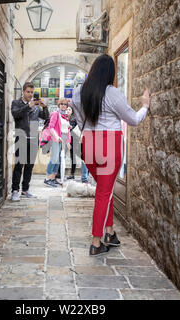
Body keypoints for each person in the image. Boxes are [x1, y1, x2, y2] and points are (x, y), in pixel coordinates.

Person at [70, 54, 151, 256]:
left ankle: (110, 232)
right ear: (110, 73)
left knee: (104, 189)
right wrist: (145, 106)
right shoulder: (113, 93)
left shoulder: (79, 93)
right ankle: (96, 242)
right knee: (104, 193)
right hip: (109, 143)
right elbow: (132, 120)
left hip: (88, 142)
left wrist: (88, 132)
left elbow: (79, 121)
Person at [11, 82, 49, 201]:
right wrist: (29, 106)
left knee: (29, 166)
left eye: (32, 92)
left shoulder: (36, 106)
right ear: (23, 91)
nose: (30, 94)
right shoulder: (16, 103)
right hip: (21, 138)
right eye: (28, 92)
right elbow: (16, 114)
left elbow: (46, 117)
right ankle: (15, 191)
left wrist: (45, 107)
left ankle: (25, 190)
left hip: (33, 139)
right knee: (19, 166)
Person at [44, 98, 71, 188]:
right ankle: (47, 178)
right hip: (56, 137)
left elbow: (67, 130)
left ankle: (53, 178)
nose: (63, 105)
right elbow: (51, 127)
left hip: (63, 138)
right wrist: (56, 137)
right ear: (59, 105)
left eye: (65, 104)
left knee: (59, 160)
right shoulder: (56, 114)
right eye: (62, 104)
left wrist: (68, 141)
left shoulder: (66, 116)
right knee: (54, 158)